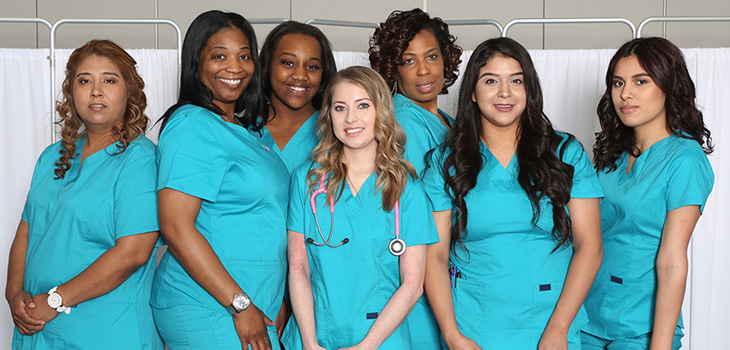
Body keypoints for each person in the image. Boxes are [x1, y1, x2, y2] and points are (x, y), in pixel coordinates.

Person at [422, 37, 604, 349]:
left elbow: (590, 247)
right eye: (491, 80)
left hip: (553, 322)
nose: (504, 92)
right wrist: (452, 336)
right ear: (474, 94)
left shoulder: (565, 153)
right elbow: (435, 255)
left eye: (516, 80)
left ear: (529, 90)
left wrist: (559, 331)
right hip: (474, 326)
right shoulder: (446, 162)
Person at [6, 39, 162, 349]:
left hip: (105, 332)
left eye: (109, 80)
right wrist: (14, 295)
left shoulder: (139, 159)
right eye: (84, 80)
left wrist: (55, 299)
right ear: (71, 91)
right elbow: (27, 229)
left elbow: (134, 252)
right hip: (38, 328)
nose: (96, 90)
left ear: (129, 91)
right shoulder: (52, 157)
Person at [152, 10, 288, 350]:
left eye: (244, 56)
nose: (235, 67)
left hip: (251, 302)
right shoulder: (192, 124)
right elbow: (176, 227)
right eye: (219, 56)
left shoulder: (244, 130)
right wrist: (239, 304)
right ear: (196, 63)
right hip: (210, 305)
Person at [281, 66, 439, 349]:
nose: (350, 118)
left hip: (381, 340)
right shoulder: (308, 181)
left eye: (363, 105)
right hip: (314, 334)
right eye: (340, 108)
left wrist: (367, 346)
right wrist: (309, 342)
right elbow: (298, 267)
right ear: (328, 116)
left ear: (381, 111)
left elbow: (412, 285)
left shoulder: (407, 190)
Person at [582, 37, 714, 350]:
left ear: (669, 86)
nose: (625, 94)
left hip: (640, 329)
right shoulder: (609, 157)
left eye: (641, 81)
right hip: (585, 318)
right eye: (618, 83)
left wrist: (660, 344)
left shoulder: (685, 159)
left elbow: (671, 261)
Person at [369, 8, 462, 175]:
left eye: (431, 57)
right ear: (394, 69)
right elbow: (418, 194)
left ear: (444, 59)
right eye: (409, 61)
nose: (423, 70)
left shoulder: (445, 119)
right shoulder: (403, 119)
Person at [257, 20, 336, 174]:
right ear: (268, 65)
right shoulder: (242, 130)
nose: (300, 75)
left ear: (323, 72)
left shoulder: (336, 130)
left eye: (312, 67)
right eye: (288, 63)